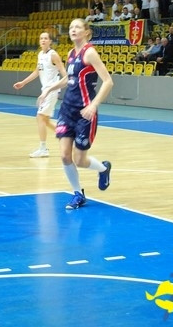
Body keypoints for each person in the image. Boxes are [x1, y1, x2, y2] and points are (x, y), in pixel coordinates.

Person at [39, 18, 113, 210]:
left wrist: (93, 105)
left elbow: (108, 81)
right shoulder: (71, 53)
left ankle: (104, 169)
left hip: (85, 113)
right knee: (64, 155)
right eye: (71, 27)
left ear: (86, 32)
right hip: (67, 109)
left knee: (80, 160)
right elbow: (69, 78)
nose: (73, 30)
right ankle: (78, 194)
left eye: (77, 27)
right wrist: (48, 89)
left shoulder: (90, 53)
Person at [12, 32, 67, 158]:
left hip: (52, 90)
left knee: (40, 117)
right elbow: (37, 71)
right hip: (45, 90)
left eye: (46, 38)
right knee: (46, 120)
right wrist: (23, 82)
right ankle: (66, 135)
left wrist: (65, 83)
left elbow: (64, 72)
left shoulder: (53, 55)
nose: (43, 40)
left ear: (50, 41)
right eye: (41, 38)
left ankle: (43, 148)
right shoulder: (40, 54)